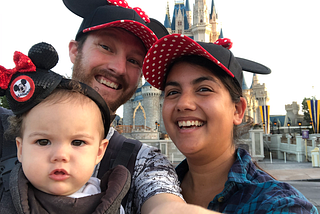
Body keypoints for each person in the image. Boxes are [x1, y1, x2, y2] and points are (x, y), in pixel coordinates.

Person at [142, 34, 319, 213]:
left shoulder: (280, 205)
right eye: (173, 92)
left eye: (204, 89)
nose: (183, 103)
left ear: (237, 110)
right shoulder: (148, 186)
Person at [0, 42, 130, 213]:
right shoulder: (6, 198)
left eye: (77, 142)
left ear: (99, 152)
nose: (60, 155)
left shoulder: (110, 203)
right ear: (21, 149)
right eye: (43, 141)